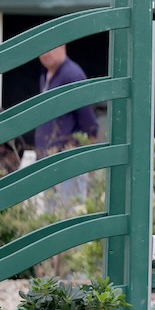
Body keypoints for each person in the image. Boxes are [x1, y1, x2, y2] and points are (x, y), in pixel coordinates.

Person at [34, 44, 100, 205]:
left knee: (68, 216)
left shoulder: (73, 75)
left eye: (50, 46)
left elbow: (89, 122)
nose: (46, 53)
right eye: (42, 47)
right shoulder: (45, 76)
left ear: (63, 45)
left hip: (67, 163)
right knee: (50, 218)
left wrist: (87, 160)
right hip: (47, 161)